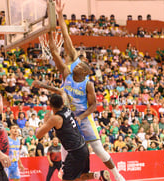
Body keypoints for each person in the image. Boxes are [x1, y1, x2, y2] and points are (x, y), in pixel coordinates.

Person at [49, 1, 125, 180]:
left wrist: (81, 117)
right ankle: (70, 171)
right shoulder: (67, 71)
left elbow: (95, 106)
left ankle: (116, 174)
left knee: (98, 149)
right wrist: (57, 17)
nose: (78, 63)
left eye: (82, 65)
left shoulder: (86, 82)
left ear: (84, 71)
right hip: (70, 117)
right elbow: (64, 37)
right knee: (66, 146)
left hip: (83, 117)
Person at [36, 94, 110, 181]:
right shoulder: (67, 108)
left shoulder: (55, 119)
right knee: (80, 176)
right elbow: (62, 92)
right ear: (62, 103)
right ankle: (98, 175)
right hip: (83, 146)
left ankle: (98, 175)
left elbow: (38, 135)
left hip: (75, 152)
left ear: (50, 105)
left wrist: (45, 122)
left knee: (66, 178)